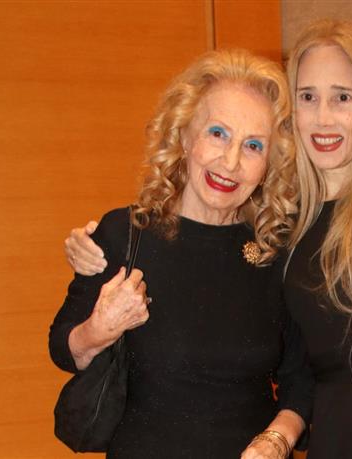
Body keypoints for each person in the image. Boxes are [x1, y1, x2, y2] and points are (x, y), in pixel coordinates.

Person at [66, 20, 352, 459]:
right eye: (308, 97)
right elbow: (208, 261)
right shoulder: (286, 225)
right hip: (331, 445)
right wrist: (93, 250)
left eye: (342, 97)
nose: (323, 117)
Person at [50, 49, 312, 459]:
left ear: (270, 163)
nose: (230, 162)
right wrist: (99, 330)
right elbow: (63, 347)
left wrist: (277, 439)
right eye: (218, 133)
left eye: (253, 146)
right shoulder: (125, 235)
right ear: (185, 135)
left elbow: (303, 379)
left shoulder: (277, 253)